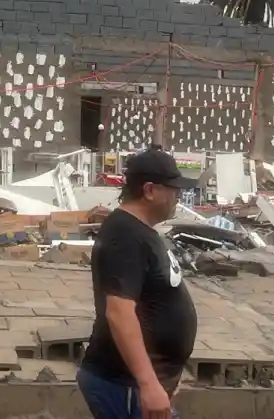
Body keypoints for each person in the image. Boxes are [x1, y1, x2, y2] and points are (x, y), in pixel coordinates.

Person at [79, 148, 199, 419]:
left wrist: (164, 378)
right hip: (124, 384)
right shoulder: (125, 236)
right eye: (173, 189)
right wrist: (148, 383)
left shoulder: (139, 231)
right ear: (149, 190)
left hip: (137, 384)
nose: (178, 198)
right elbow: (120, 313)